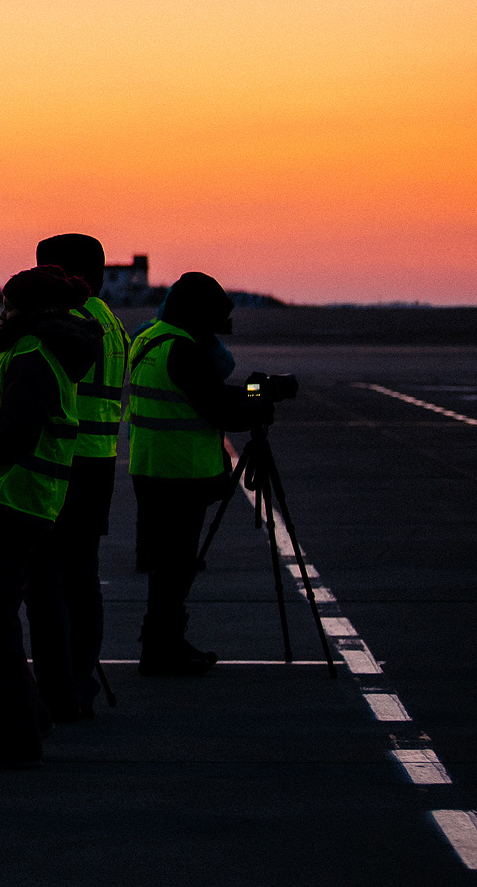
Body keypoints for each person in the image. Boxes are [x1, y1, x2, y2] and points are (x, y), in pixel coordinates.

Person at [0, 266, 98, 769]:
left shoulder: (28, 357)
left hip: (13, 501)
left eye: (8, 304)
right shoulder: (37, 354)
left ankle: (11, 740)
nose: (2, 313)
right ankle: (29, 715)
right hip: (23, 501)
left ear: (27, 311)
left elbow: (17, 434)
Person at [126, 271, 269, 675]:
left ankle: (163, 642)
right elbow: (219, 409)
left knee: (166, 565)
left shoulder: (148, 340)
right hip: (181, 473)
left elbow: (192, 395)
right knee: (175, 568)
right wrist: (257, 407)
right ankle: (162, 649)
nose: (215, 333)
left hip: (150, 466)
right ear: (197, 315)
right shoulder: (184, 351)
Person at [21, 234, 127, 721]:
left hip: (62, 459)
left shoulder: (66, 321)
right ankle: (78, 681)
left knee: (46, 581)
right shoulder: (107, 318)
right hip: (98, 459)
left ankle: (57, 686)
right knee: (82, 578)